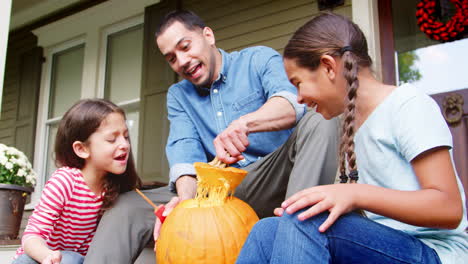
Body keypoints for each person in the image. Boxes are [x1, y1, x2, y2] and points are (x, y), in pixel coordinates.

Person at [84, 10, 340, 263]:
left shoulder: (257, 60)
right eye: (171, 58)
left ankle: (295, 245)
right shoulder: (178, 95)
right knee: (129, 207)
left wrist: (245, 124)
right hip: (216, 190)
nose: (182, 61)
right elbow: (185, 150)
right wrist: (185, 207)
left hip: (274, 178)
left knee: (319, 119)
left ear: (208, 35)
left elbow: (292, 103)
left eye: (185, 46)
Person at [235, 12, 468, 264]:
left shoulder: (407, 105)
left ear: (328, 67)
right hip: (384, 247)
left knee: (306, 217)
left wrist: (354, 194)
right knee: (267, 231)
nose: (299, 98)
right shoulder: (348, 125)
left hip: (435, 253)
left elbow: (449, 208)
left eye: (298, 83)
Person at [12, 99, 141, 264]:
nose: (125, 145)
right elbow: (32, 235)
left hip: (76, 261)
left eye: (126, 137)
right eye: (111, 139)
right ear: (82, 149)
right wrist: (48, 257)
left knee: (74, 259)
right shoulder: (65, 181)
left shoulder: (116, 190)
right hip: (37, 259)